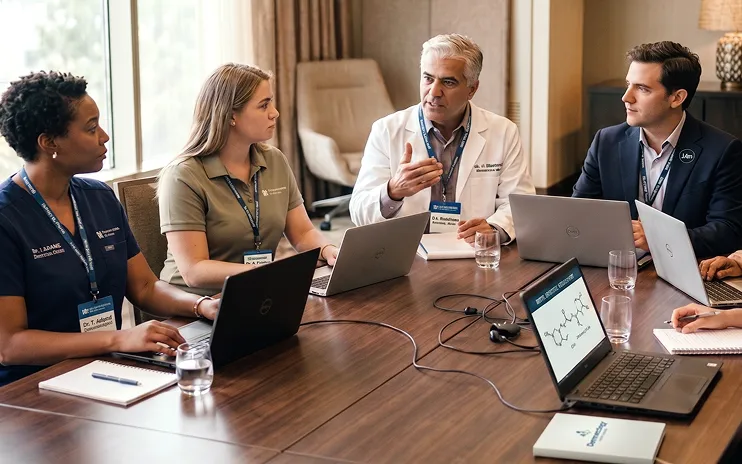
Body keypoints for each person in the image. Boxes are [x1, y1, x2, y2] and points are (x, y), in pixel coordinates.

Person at [0, 71, 220, 386]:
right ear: (49, 142)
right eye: (91, 128)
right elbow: (9, 345)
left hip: (106, 369)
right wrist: (118, 339)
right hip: (32, 388)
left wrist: (200, 305)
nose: (104, 136)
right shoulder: (7, 218)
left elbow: (144, 287)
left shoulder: (99, 197)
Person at [157, 63, 337, 296]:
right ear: (231, 116)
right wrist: (271, 273)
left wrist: (328, 250)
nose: (275, 112)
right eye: (264, 105)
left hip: (257, 291)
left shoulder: (274, 160)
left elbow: (302, 233)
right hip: (195, 305)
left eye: (270, 101)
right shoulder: (183, 176)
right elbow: (194, 271)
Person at [349, 33, 535, 244]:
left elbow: (520, 204)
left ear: (472, 89)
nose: (434, 92)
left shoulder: (503, 132)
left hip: (472, 253)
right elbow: (358, 212)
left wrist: (494, 228)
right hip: (407, 256)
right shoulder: (387, 130)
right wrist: (393, 191)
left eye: (448, 82)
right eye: (428, 78)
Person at [573, 41, 742, 258]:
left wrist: (658, 238)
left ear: (677, 98)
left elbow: (728, 231)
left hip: (682, 270)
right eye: (628, 84)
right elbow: (578, 211)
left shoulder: (722, 151)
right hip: (616, 264)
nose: (626, 97)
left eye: (642, 88)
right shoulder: (606, 141)